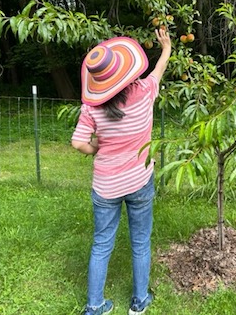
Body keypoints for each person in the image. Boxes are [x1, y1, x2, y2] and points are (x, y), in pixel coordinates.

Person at [71, 28, 171, 315]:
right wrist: (166, 48)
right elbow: (158, 71)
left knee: (102, 244)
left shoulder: (92, 108)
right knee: (141, 241)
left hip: (105, 185)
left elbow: (77, 142)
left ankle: (94, 306)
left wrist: (96, 149)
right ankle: (139, 302)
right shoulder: (144, 92)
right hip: (140, 180)